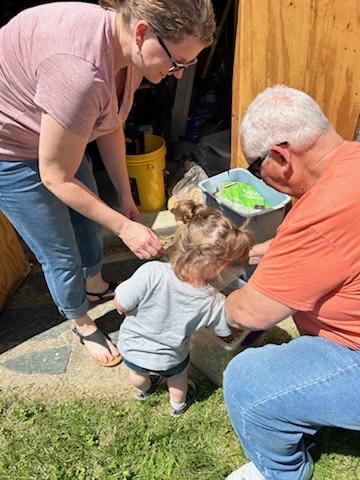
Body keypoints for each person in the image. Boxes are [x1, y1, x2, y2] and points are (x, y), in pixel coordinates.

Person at [0, 0, 216, 366]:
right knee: (59, 252)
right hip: (10, 148)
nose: (179, 74)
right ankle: (80, 320)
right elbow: (54, 176)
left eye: (188, 65)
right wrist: (124, 226)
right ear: (143, 32)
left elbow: (111, 121)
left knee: (88, 222)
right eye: (177, 63)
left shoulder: (126, 50)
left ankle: (95, 284)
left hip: (58, 129)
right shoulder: (80, 73)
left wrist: (124, 196)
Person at [223, 84, 360, 480]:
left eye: (255, 169)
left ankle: (282, 471)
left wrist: (212, 291)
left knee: (247, 382)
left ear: (280, 156)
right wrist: (248, 254)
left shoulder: (323, 210)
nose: (261, 180)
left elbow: (251, 312)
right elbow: (325, 248)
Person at [114, 200, 253, 416]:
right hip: (171, 356)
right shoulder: (213, 300)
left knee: (137, 373)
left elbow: (122, 302)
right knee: (178, 379)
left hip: (132, 347)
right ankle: (177, 405)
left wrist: (122, 306)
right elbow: (224, 331)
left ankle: (144, 390)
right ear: (222, 266)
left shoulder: (151, 272)